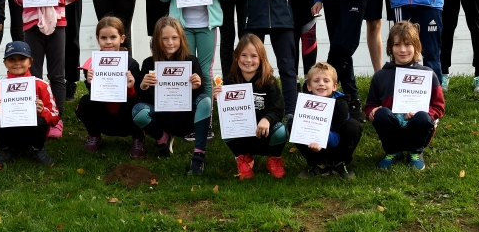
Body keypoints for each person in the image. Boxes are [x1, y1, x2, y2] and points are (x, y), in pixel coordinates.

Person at [12, 0, 81, 138]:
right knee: (33, 73)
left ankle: (56, 119)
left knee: (57, 73)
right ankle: (34, 116)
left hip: (57, 24)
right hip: (32, 24)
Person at [133, 17, 209, 175]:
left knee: (206, 101)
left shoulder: (191, 61)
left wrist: (197, 87)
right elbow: (146, 100)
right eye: (164, 38)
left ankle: (199, 155)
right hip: (162, 117)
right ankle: (162, 138)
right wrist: (144, 86)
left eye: (174, 38)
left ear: (181, 39)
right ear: (156, 40)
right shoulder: (149, 63)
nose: (170, 42)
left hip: (185, 118)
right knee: (137, 111)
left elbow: (200, 100)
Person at [365, 22, 445, 170]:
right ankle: (392, 151)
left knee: (423, 117)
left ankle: (415, 152)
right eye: (397, 45)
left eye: (408, 44)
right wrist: (373, 112)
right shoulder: (380, 76)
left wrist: (424, 113)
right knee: (382, 114)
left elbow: (439, 106)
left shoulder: (428, 74)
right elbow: (370, 105)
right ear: (390, 47)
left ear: (416, 47)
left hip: (417, 127)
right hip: (391, 128)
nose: (402, 50)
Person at [214, 34, 288, 180]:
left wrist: (267, 119)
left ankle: (274, 159)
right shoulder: (230, 81)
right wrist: (218, 99)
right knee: (225, 127)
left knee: (280, 130)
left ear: (261, 58)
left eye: (254, 56)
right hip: (242, 135)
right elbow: (227, 114)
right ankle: (242, 158)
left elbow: (278, 109)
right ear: (236, 57)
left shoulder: (269, 82)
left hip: (264, 133)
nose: (248, 60)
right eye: (244, 55)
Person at [0, 41, 61, 168]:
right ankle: (4, 149)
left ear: (30, 62)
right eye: (11, 59)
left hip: (32, 135)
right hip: (8, 135)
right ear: (5, 63)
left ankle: (38, 149)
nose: (17, 63)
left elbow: (55, 118)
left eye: (22, 59)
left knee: (40, 120)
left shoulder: (41, 85)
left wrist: (42, 111)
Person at [76, 16, 145, 156]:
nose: (108, 42)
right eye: (104, 38)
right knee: (84, 103)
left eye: (113, 37)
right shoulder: (91, 64)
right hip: (104, 114)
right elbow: (93, 96)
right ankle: (94, 134)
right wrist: (91, 83)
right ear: (98, 39)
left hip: (125, 115)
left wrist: (131, 87)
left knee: (138, 107)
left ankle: (138, 137)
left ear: (122, 38)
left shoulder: (131, 64)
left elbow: (137, 96)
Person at [295, 62, 362, 179]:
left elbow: (337, 136)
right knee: (293, 124)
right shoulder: (304, 103)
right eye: (316, 81)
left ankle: (340, 164)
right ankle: (318, 164)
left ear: (334, 86)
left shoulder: (341, 104)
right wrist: (312, 140)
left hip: (337, 145)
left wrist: (320, 139)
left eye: (326, 81)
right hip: (313, 145)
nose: (321, 84)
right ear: (309, 86)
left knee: (353, 126)